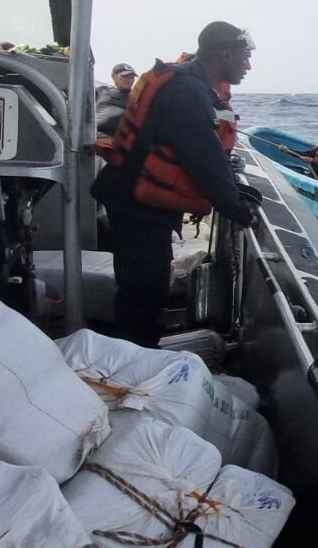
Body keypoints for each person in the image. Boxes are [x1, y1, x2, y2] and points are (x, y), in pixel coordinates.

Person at [91, 22, 260, 345]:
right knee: (143, 296)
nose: (248, 65)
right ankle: (134, 362)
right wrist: (238, 210)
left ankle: (136, 353)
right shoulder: (186, 93)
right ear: (225, 54)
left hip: (134, 199)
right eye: (244, 57)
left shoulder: (187, 82)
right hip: (135, 205)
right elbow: (204, 158)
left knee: (145, 290)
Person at [95, 61, 137, 137]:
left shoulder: (137, 97)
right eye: (125, 76)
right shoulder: (101, 91)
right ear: (114, 77)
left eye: (132, 77)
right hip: (93, 137)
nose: (130, 80)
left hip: (118, 141)